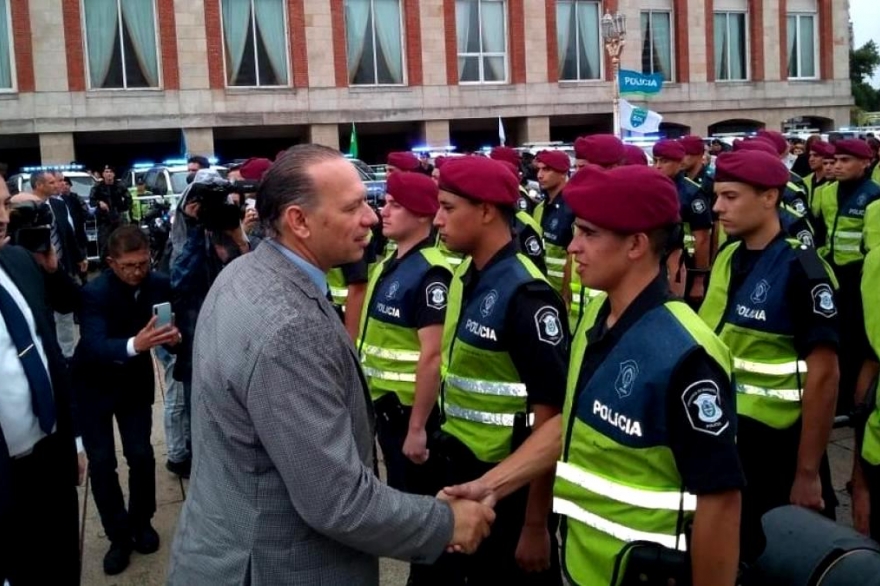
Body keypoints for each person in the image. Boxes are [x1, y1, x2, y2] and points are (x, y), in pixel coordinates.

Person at [168, 144, 495, 585]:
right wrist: (446, 522)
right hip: (274, 568)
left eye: (368, 201)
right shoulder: (290, 331)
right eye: (353, 206)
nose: (371, 218)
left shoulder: (242, 273)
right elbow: (338, 501)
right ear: (298, 221)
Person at [442, 163, 744, 586]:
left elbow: (722, 502)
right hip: (585, 566)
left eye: (589, 233)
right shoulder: (595, 320)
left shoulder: (686, 353)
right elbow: (570, 422)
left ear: (636, 244)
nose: (571, 247)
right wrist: (490, 485)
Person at [429, 156, 568, 585]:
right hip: (466, 470)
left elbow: (552, 419)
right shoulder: (468, 276)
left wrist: (534, 525)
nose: (437, 220)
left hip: (512, 490)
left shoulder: (526, 295)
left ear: (487, 210)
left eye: (449, 208)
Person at [699, 150, 840, 567]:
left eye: (730, 196)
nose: (718, 207)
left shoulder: (803, 268)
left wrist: (808, 473)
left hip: (780, 446)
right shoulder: (728, 256)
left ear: (769, 197)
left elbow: (825, 377)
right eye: (716, 196)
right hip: (729, 436)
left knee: (789, 556)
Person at [357, 172, 452, 584]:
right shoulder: (390, 263)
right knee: (405, 506)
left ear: (421, 215)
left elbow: (432, 355)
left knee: (422, 512)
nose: (384, 210)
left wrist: (417, 428)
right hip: (387, 414)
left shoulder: (432, 273)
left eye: (395, 204)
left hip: (415, 418)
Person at [73, 226, 180, 575]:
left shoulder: (159, 284)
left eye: (142, 263)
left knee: (141, 454)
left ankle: (141, 520)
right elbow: (93, 344)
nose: (137, 271)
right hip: (94, 384)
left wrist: (175, 338)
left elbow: (172, 334)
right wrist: (137, 344)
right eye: (128, 265)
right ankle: (117, 535)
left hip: (134, 384)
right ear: (110, 263)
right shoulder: (94, 293)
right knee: (102, 464)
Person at [0, 179, 83, 586]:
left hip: (51, 457)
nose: (2, 219)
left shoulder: (16, 260)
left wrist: (75, 441)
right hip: (6, 483)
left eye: (4, 205)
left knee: (63, 566)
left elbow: (51, 353)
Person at [816, 139, 880, 418]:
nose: (838, 166)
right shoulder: (826, 192)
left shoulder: (874, 195)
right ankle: (836, 398)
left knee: (856, 342)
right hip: (831, 276)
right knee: (833, 339)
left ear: (865, 163)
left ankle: (854, 401)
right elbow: (819, 230)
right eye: (837, 160)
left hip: (859, 279)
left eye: (846, 161)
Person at [653, 139, 713, 305]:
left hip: (687, 266)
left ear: (679, 163)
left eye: (664, 161)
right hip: (658, 266)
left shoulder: (691, 194)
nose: (658, 166)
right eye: (655, 160)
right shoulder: (653, 189)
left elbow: (702, 239)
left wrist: (699, 281)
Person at [533, 150, 574, 304]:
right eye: (539, 169)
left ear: (563, 173)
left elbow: (573, 257)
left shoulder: (572, 208)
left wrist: (565, 295)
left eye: (547, 169)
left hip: (563, 294)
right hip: (542, 288)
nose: (539, 175)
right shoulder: (540, 208)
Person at [89, 165, 131, 257]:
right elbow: (91, 201)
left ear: (114, 174)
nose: (108, 174)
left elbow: (128, 198)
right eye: (106, 172)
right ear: (103, 174)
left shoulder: (120, 185)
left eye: (110, 172)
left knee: (121, 244)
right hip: (104, 221)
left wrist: (122, 208)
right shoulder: (98, 187)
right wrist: (99, 202)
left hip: (118, 219)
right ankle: (106, 268)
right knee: (105, 247)